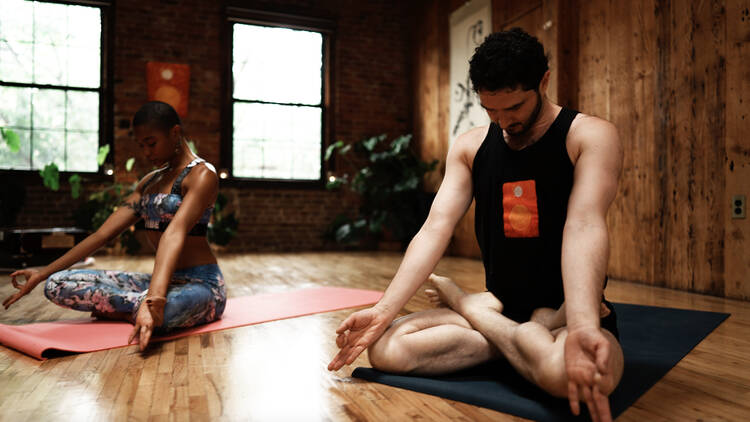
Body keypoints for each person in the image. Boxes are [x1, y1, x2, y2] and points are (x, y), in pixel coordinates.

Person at [328, 28, 624, 422]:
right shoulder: (470, 146)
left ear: (544, 81)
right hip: (501, 302)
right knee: (386, 349)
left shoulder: (588, 135)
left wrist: (585, 323)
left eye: (514, 108)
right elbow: (436, 227)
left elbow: (584, 225)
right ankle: (517, 341)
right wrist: (384, 310)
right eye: (491, 110)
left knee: (581, 377)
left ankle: (470, 307)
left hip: (570, 312)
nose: (503, 121)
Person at [3, 101, 225, 351]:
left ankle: (142, 308)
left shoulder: (202, 175)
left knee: (159, 311)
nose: (147, 153)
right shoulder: (150, 182)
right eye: (142, 146)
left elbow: (174, 232)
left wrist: (155, 299)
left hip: (202, 286)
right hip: (158, 282)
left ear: (174, 133)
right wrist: (42, 273)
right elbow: (102, 234)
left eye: (151, 143)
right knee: (58, 284)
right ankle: (139, 309)